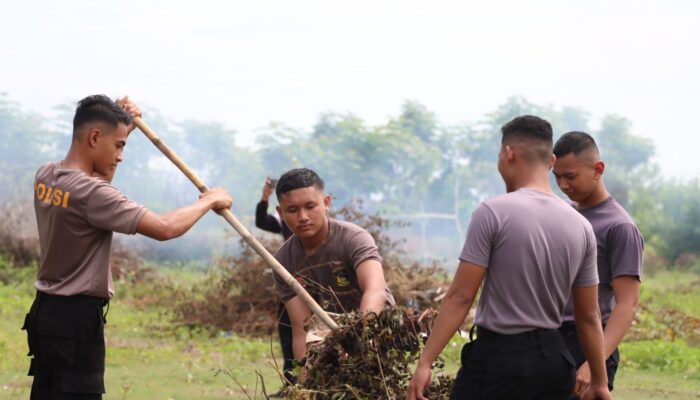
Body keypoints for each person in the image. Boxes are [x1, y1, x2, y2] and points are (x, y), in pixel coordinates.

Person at [22, 95, 233, 399]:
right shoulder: (92, 194)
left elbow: (100, 176)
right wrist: (210, 200)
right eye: (119, 146)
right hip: (76, 321)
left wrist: (124, 129)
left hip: (47, 312)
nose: (120, 156)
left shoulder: (46, 174)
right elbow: (165, 228)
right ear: (94, 137)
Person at [407, 115, 611, 400]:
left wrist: (426, 361)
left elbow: (460, 297)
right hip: (555, 363)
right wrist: (600, 382)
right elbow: (589, 315)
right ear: (551, 160)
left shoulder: (492, 213)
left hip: (499, 361)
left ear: (508, 154)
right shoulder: (581, 226)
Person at [553, 131, 644, 398]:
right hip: (551, 339)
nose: (564, 185)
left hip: (588, 343)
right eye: (557, 177)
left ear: (598, 170)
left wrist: (594, 364)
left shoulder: (620, 227)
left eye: (570, 176)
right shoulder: (564, 215)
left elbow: (627, 304)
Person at [271, 168, 395, 361]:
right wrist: (305, 376)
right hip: (327, 342)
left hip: (377, 331)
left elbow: (376, 292)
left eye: (310, 206)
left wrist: (356, 341)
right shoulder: (282, 262)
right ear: (280, 212)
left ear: (326, 203)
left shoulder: (354, 239)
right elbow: (301, 328)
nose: (303, 217)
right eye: (293, 210)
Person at [254, 177, 294, 395]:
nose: (301, 216)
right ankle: (291, 384)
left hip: (315, 284)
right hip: (290, 283)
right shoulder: (284, 220)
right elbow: (261, 222)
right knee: (287, 332)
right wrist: (264, 199)